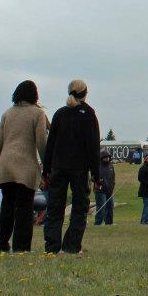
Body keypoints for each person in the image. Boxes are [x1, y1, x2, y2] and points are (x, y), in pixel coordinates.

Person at [0, 80, 49, 252]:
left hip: (6, 166)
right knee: (24, 207)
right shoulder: (37, 114)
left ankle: (1, 243)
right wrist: (47, 164)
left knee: (7, 205)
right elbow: (41, 142)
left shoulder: (7, 113)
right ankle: (21, 246)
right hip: (26, 166)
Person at [42, 79, 101, 255]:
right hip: (79, 168)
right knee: (80, 207)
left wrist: (46, 168)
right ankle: (71, 246)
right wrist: (96, 173)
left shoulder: (60, 114)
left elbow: (50, 143)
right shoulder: (88, 114)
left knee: (54, 207)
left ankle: (51, 246)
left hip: (59, 166)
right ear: (85, 93)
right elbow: (92, 145)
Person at [94, 149, 116, 226]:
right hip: (100, 191)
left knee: (110, 207)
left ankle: (109, 223)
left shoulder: (111, 166)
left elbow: (113, 177)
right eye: (105, 157)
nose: (107, 158)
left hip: (110, 190)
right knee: (101, 208)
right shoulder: (97, 166)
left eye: (108, 157)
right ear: (101, 158)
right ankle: (98, 223)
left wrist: (113, 185)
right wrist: (99, 182)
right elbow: (94, 178)